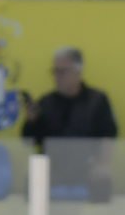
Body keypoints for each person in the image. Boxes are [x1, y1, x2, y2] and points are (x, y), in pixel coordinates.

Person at [21, 46, 119, 199]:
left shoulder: (97, 101)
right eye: (55, 71)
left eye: (62, 71)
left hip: (86, 167)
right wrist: (31, 121)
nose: (57, 76)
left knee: (102, 182)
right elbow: (30, 141)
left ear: (78, 72)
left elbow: (108, 136)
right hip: (53, 168)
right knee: (31, 182)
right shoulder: (46, 102)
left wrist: (102, 165)